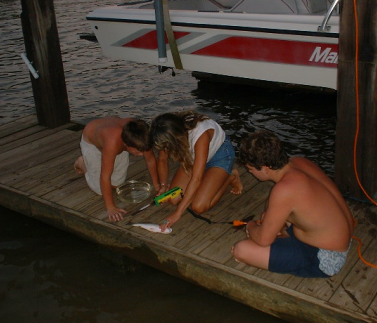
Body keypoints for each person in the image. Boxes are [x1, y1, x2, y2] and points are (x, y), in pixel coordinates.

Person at [232, 129, 354, 278]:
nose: (250, 172)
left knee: (241, 250)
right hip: (340, 237)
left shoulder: (284, 190)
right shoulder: (299, 162)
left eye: (250, 169)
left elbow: (263, 240)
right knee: (267, 217)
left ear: (264, 168)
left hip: (325, 258)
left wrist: (250, 226)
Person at [150, 111, 242, 231]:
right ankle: (210, 177)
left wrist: (177, 213)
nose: (166, 149)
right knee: (173, 199)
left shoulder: (200, 135)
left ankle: (231, 176)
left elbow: (196, 179)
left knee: (198, 207)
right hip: (195, 158)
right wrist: (163, 186)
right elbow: (162, 159)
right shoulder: (166, 132)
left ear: (176, 137)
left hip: (220, 155)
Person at [74, 117, 161, 222]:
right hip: (92, 141)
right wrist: (111, 208)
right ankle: (82, 163)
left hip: (114, 141)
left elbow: (150, 160)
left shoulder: (142, 136)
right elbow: (105, 176)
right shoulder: (113, 142)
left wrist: (157, 186)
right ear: (127, 145)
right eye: (138, 152)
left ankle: (104, 158)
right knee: (99, 189)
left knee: (117, 184)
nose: (142, 154)